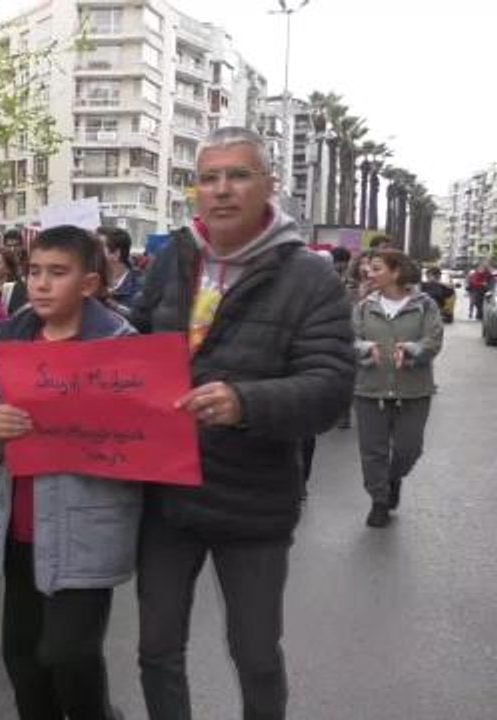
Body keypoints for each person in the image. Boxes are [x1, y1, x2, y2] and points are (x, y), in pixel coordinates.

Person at [130, 127, 355, 720]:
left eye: (239, 175)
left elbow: (331, 387)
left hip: (252, 503)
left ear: (268, 186)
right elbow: (127, 346)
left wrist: (245, 403)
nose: (222, 190)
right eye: (209, 178)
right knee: (156, 651)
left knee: (254, 654)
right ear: (195, 190)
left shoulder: (310, 276)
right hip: (167, 498)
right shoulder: (170, 260)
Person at [0, 225, 138, 720]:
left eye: (57, 273)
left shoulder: (123, 349)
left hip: (87, 531)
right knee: (23, 661)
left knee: (70, 655)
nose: (40, 284)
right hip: (19, 530)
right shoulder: (12, 340)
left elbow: (142, 446)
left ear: (88, 284)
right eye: (35, 271)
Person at [353, 250, 444, 528]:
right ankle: (379, 501)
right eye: (369, 269)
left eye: (377, 268)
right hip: (370, 389)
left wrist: (413, 349)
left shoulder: (424, 304)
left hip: (413, 391)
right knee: (372, 451)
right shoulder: (364, 306)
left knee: (409, 449)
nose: (370, 273)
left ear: (396, 272)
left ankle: (393, 478)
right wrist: (366, 348)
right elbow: (349, 339)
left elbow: (434, 339)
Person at [99, 226, 141, 314]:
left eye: (98, 248)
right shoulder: (89, 283)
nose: (90, 253)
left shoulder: (141, 286)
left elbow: (140, 320)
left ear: (116, 254)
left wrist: (112, 304)